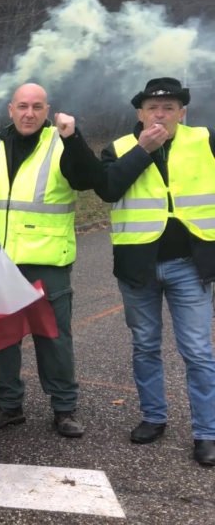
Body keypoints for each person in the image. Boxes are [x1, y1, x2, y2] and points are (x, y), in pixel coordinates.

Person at [93, 77, 215, 466]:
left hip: (189, 266)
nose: (160, 114)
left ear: (183, 112)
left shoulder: (205, 141)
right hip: (138, 267)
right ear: (139, 113)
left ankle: (207, 433)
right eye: (152, 108)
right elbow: (108, 189)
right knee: (145, 345)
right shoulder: (119, 148)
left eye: (169, 107)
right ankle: (153, 417)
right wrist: (144, 151)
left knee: (197, 351)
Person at [0, 83, 99, 438]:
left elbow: (89, 179)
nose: (29, 113)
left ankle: (64, 408)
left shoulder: (61, 143)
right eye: (23, 106)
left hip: (47, 261)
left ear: (48, 111)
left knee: (53, 338)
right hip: (0, 261)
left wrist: (73, 138)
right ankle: (8, 405)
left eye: (37, 107)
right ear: (10, 109)